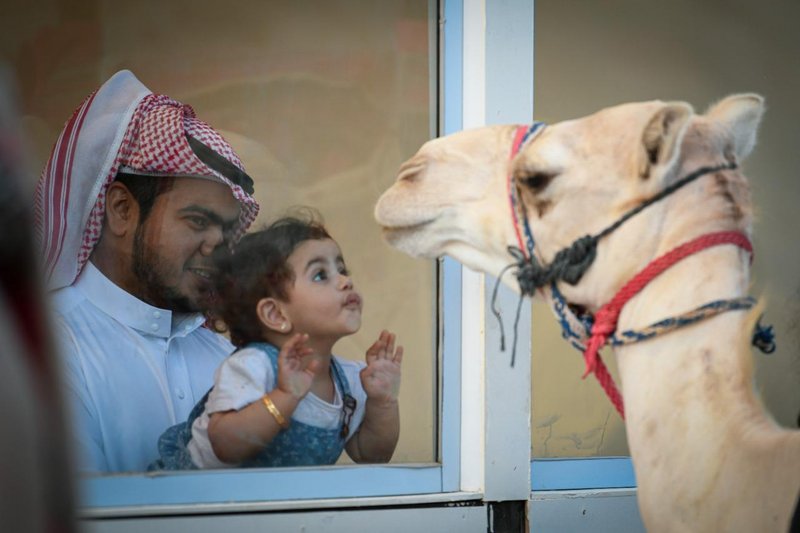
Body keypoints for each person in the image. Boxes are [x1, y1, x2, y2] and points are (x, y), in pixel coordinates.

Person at [34, 70, 260, 473]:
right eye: (197, 221)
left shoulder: (226, 358)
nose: (218, 247)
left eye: (226, 229)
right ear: (122, 210)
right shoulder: (46, 347)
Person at [151, 213, 402, 469]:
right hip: (195, 501)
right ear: (275, 314)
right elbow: (225, 444)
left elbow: (370, 455)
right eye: (320, 275)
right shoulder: (254, 366)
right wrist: (285, 396)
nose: (345, 281)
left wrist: (383, 401)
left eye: (342, 269)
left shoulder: (348, 380)